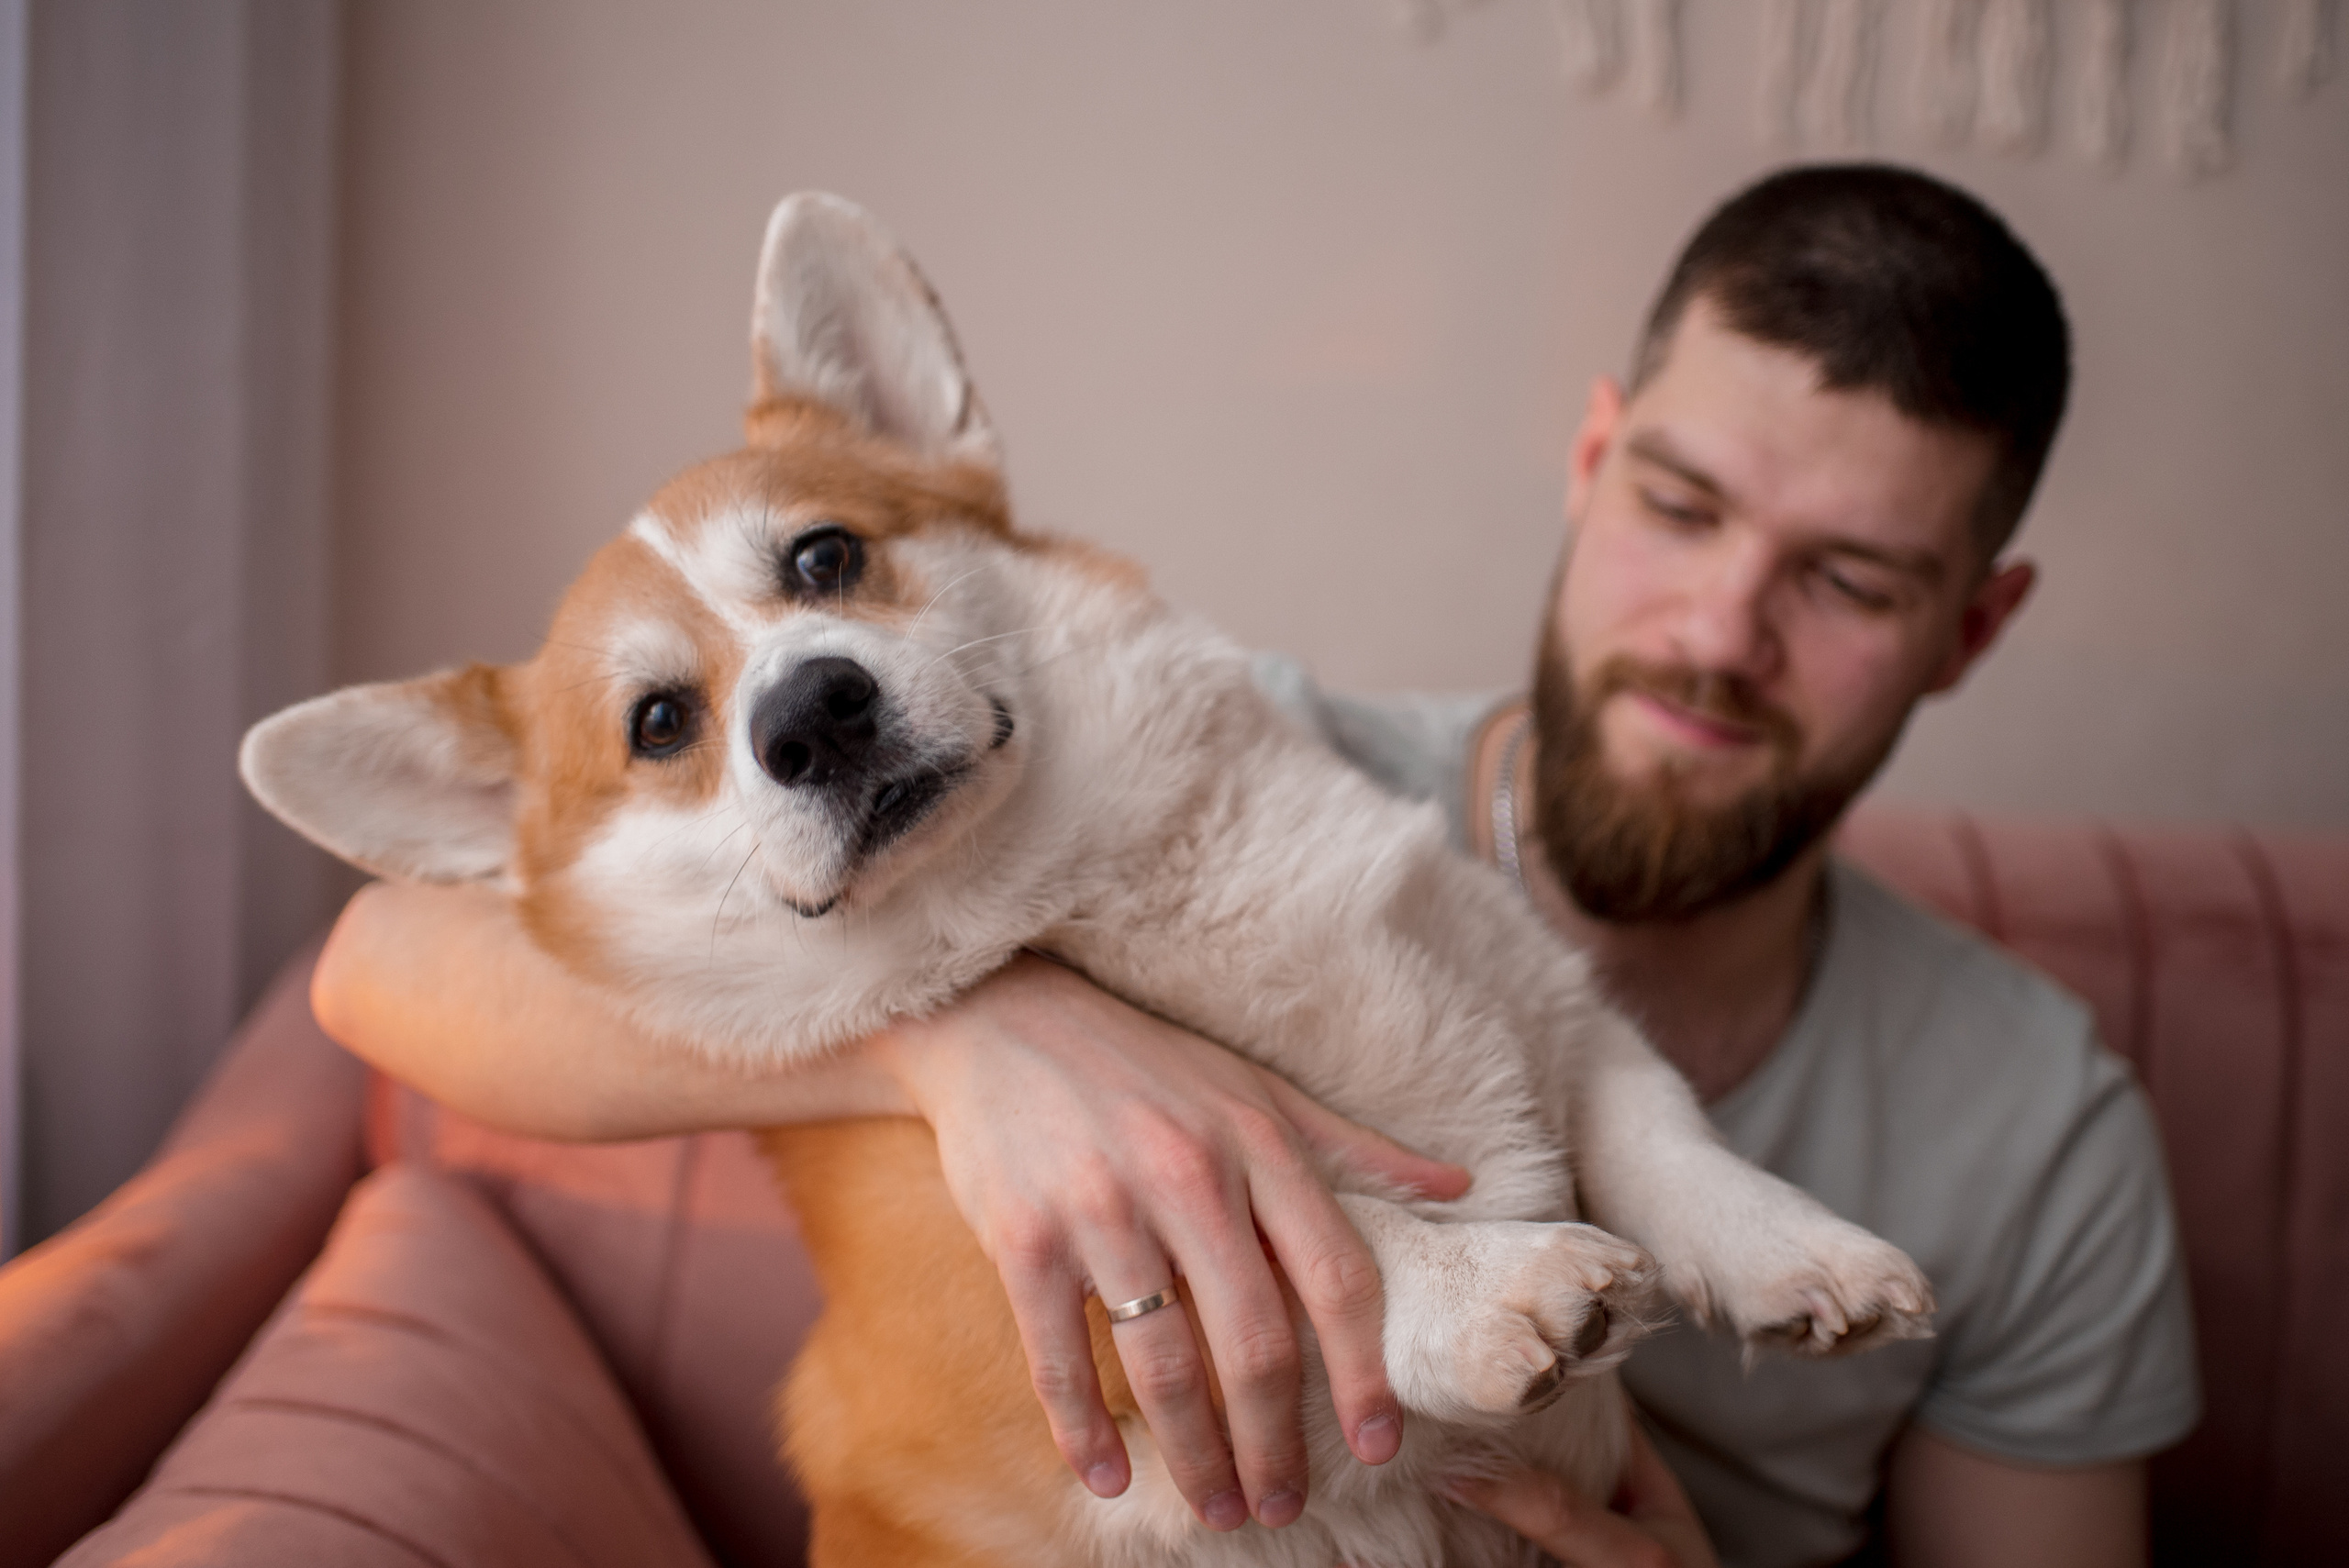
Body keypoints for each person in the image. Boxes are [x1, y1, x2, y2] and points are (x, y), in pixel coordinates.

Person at [312, 164, 2198, 1567]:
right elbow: (386, 967)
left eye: (1849, 579)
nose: (1718, 629)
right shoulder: (1200, 770)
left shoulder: (2042, 1129)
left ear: (1971, 625)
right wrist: (960, 1041)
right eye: (1680, 507)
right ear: (1592, 458)